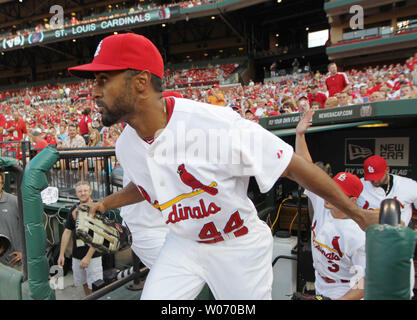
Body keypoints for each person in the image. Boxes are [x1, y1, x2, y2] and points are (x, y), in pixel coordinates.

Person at [68, 33, 377, 300]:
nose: (94, 90)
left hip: (237, 243)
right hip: (184, 244)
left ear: (140, 82)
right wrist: (106, 203)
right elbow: (145, 184)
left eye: (103, 79)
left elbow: (293, 166)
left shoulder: (214, 125)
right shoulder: (126, 145)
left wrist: (358, 214)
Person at [295, 110, 366, 300]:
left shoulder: (358, 234)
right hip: (321, 283)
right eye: (332, 188)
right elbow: (306, 169)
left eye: (338, 193)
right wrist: (300, 135)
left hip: (344, 290)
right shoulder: (322, 202)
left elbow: (365, 283)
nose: (331, 195)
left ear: (352, 200)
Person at [357, 154, 417, 295]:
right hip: (367, 244)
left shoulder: (408, 186)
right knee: (365, 291)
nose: (374, 181)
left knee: (402, 289)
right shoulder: (359, 185)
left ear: (387, 170)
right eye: (371, 177)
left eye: (377, 176)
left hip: (398, 244)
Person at [57, 181, 103, 296]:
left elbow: (99, 235)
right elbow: (67, 231)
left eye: (85, 191)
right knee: (83, 283)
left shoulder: (97, 208)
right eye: (80, 191)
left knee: (96, 285)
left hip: (93, 256)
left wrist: (88, 257)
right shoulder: (73, 210)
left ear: (90, 192)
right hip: (77, 254)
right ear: (76, 193)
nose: (83, 193)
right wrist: (61, 254)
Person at [0, 172, 23, 270]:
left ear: (2, 184)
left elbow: (29, 228)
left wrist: (24, 252)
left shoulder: (14, 201)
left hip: (14, 262)